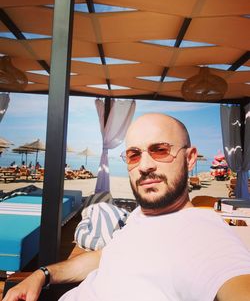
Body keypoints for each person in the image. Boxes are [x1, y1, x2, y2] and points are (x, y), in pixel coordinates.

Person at [3, 113, 250, 301]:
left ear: (190, 158)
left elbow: (234, 280)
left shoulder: (201, 233)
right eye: (134, 154)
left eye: (160, 150)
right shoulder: (140, 216)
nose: (144, 165)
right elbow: (107, 256)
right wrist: (42, 274)